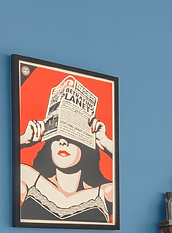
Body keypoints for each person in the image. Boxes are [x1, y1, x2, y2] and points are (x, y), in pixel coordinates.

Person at [16, 75, 114, 224]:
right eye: (56, 137)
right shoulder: (28, 178)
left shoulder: (104, 193)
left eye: (71, 137)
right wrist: (22, 139)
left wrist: (106, 143)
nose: (63, 142)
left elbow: (137, 181)